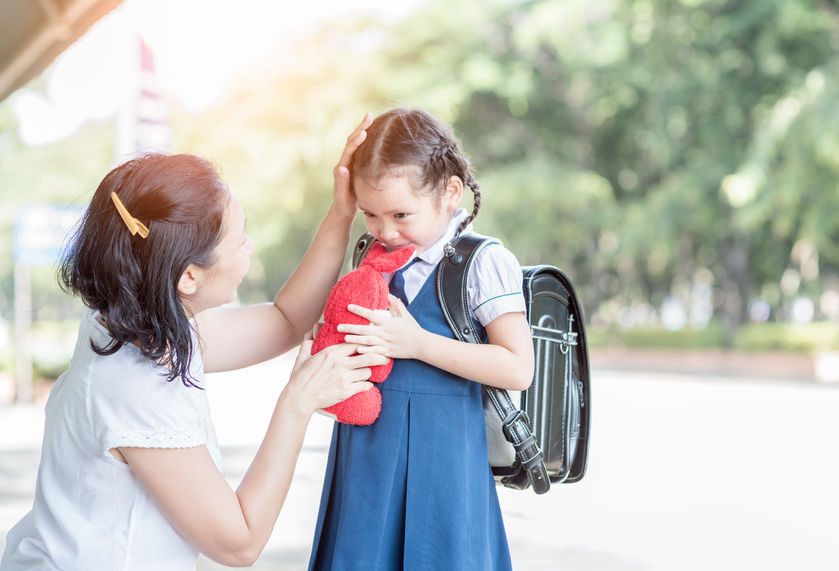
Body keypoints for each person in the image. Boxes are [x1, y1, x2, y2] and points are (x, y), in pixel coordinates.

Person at [0, 114, 385, 570]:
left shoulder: (132, 321)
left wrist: (342, 213)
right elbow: (238, 544)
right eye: (241, 241)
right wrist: (296, 403)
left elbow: (284, 321)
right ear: (188, 277)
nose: (251, 249)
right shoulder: (134, 383)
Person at [307, 108, 536, 570]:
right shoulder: (371, 258)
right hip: (365, 455)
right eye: (370, 214)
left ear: (451, 193)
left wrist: (418, 344)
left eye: (401, 214)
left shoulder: (480, 262)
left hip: (445, 460)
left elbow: (518, 367)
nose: (385, 231)